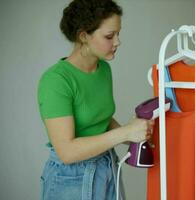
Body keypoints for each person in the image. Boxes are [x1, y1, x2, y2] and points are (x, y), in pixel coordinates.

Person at [37, 0, 154, 199]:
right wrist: (125, 133)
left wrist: (134, 134)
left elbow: (101, 119)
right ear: (83, 36)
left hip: (106, 165)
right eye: (109, 36)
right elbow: (67, 152)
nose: (117, 42)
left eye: (118, 33)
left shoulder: (104, 69)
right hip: (71, 177)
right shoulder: (55, 81)